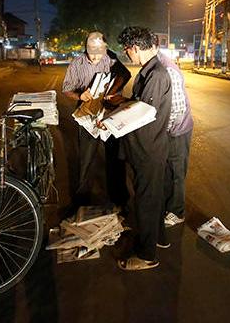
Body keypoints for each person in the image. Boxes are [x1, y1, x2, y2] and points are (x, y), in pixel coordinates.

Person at [108, 26, 171, 271]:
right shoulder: (149, 71)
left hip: (148, 148)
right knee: (153, 197)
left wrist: (112, 120)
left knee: (146, 201)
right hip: (148, 146)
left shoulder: (156, 74)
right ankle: (160, 239)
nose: (127, 55)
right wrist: (123, 102)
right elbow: (142, 103)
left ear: (135, 48)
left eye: (127, 50)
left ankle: (147, 255)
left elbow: (143, 113)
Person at [62, 31, 131, 209]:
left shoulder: (112, 60)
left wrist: (113, 92)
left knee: (115, 158)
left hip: (109, 116)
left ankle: (119, 199)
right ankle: (82, 200)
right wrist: (79, 95)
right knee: (86, 159)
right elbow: (67, 89)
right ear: (85, 49)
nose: (94, 58)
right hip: (87, 116)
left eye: (98, 54)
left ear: (105, 50)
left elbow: (125, 76)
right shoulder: (77, 63)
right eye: (90, 53)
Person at [155, 49, 193, 227]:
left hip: (177, 131)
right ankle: (169, 205)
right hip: (169, 130)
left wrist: (163, 131)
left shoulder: (166, 68)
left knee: (177, 172)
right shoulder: (156, 64)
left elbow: (177, 110)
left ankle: (177, 212)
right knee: (168, 170)